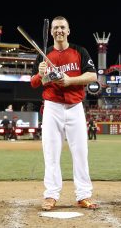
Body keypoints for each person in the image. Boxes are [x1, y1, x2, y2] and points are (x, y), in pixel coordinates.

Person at [31, 16, 98, 211]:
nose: (59, 30)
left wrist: (70, 81)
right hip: (52, 107)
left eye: (62, 27)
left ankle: (83, 195)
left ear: (68, 31)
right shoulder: (44, 55)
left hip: (75, 107)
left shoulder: (80, 51)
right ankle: (51, 195)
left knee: (81, 152)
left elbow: (92, 75)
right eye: (56, 28)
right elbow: (34, 83)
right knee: (50, 153)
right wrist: (41, 74)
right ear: (51, 32)